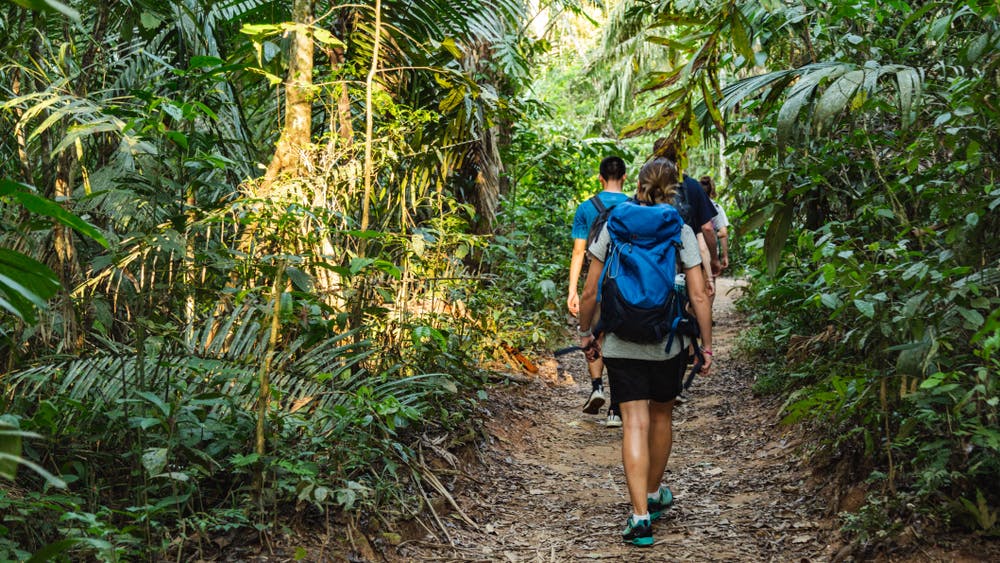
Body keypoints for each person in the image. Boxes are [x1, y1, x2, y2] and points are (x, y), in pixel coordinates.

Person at [577, 157, 714, 546]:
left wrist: (587, 332)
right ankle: (653, 494)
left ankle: (639, 518)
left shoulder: (615, 223)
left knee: (633, 423)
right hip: (668, 341)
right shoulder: (680, 228)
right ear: (673, 190)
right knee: (661, 417)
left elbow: (591, 289)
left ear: (637, 185)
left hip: (621, 339)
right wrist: (706, 346)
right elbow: (699, 294)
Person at [568, 156, 629, 427]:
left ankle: (596, 387)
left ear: (600, 177)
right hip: (625, 285)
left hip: (596, 284)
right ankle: (616, 408)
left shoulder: (586, 208)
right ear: (625, 177)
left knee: (591, 335)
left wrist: (573, 290)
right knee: (619, 342)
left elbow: (579, 251)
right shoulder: (634, 206)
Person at [700, 176, 730, 308]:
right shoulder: (716, 207)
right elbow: (723, 232)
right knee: (710, 284)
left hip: (692, 251)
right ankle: (707, 316)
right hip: (710, 252)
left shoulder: (691, 206)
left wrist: (699, 235)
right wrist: (724, 255)